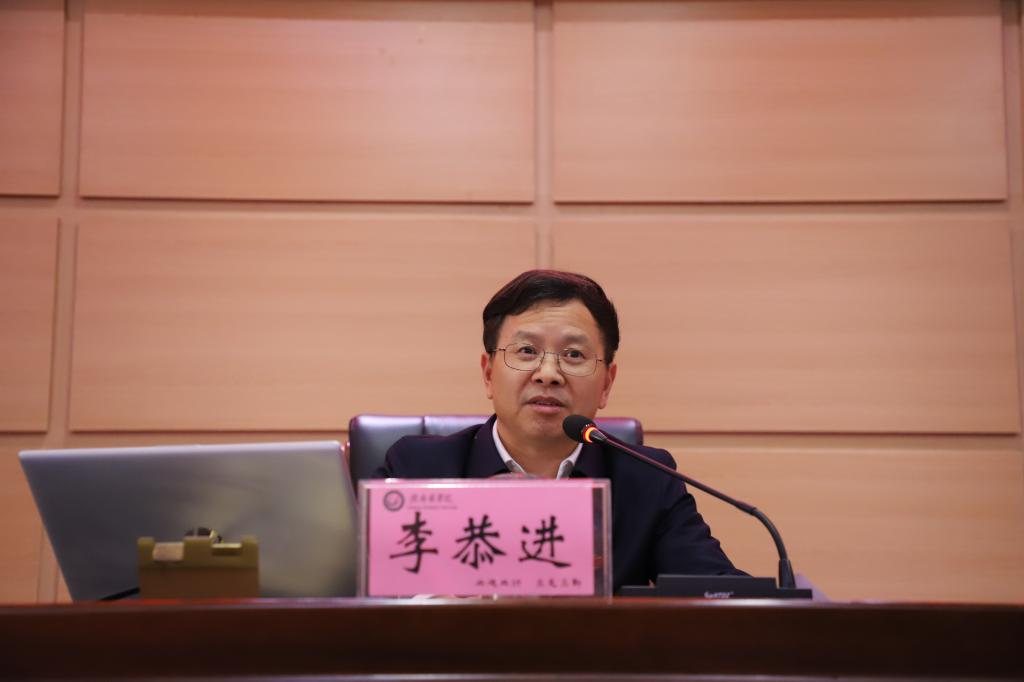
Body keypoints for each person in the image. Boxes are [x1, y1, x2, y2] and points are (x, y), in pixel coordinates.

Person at [376, 269, 744, 591]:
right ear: (488, 374)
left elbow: (719, 594)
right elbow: (360, 597)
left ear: (607, 384)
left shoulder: (646, 478)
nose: (548, 374)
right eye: (526, 350)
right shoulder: (416, 468)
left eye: (573, 355)